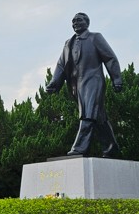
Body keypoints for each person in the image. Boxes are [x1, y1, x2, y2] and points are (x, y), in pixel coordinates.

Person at [45, 12, 122, 157]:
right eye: (73, 21)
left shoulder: (95, 37)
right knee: (99, 117)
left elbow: (110, 58)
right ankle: (111, 148)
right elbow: (61, 65)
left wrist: (116, 79)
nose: (75, 23)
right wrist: (54, 83)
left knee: (87, 114)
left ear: (87, 22)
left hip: (93, 81)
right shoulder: (68, 43)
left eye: (79, 20)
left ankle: (79, 147)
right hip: (77, 85)